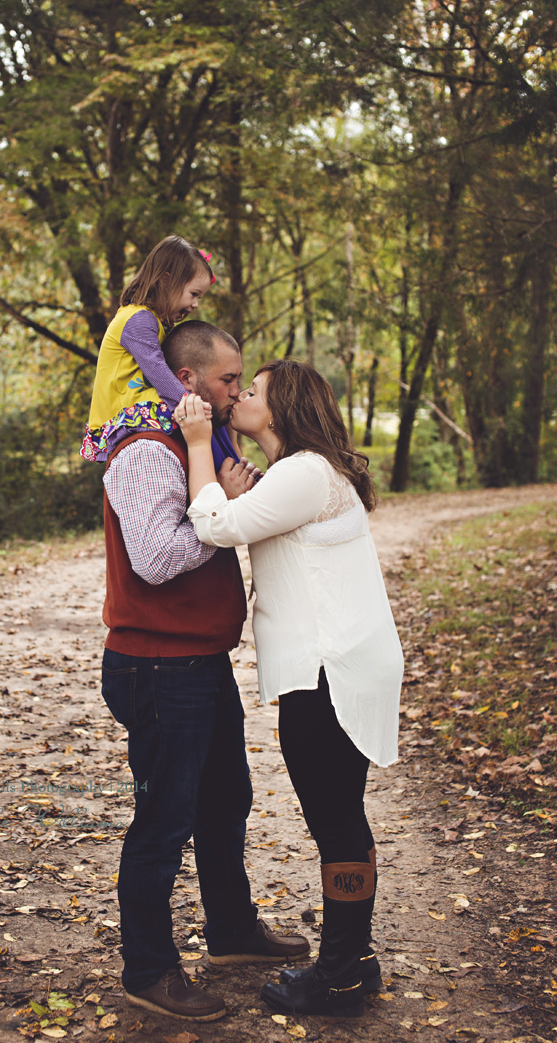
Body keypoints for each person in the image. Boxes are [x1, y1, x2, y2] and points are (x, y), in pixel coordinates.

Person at [174, 359, 404, 1020]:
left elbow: (214, 527)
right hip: (336, 665)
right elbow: (242, 519)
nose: (240, 394)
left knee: (336, 822)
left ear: (281, 408)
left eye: (253, 389)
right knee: (342, 817)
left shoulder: (303, 472)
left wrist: (197, 444)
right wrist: (230, 490)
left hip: (328, 670)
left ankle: (339, 976)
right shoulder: (303, 472)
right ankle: (353, 960)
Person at [101, 324, 310, 1022]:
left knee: (227, 799)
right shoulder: (146, 450)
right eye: (228, 380)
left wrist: (220, 494)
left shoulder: (200, 444)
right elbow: (157, 560)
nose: (235, 391)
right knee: (165, 820)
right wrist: (217, 505)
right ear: (187, 380)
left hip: (198, 658)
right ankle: (149, 970)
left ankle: (231, 930)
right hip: (158, 664)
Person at [81, 235, 236, 470]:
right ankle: (219, 469)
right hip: (127, 409)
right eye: (193, 294)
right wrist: (187, 403)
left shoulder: (156, 321)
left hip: (144, 401)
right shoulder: (138, 319)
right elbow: (157, 370)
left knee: (209, 411)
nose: (195, 304)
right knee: (199, 413)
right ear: (166, 281)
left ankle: (230, 463)